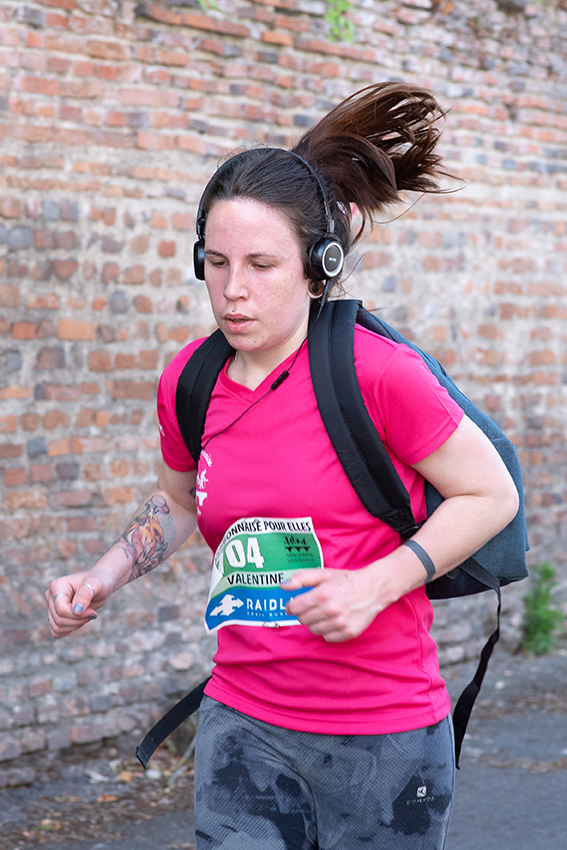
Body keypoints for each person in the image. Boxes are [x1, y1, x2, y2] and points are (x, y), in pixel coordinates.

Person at [46, 83, 519, 850]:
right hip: (242, 725)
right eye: (216, 262)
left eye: (261, 264)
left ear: (316, 265)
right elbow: (177, 502)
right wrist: (102, 575)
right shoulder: (190, 381)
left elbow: (488, 493)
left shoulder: (379, 375)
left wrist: (375, 584)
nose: (233, 290)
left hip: (383, 738)